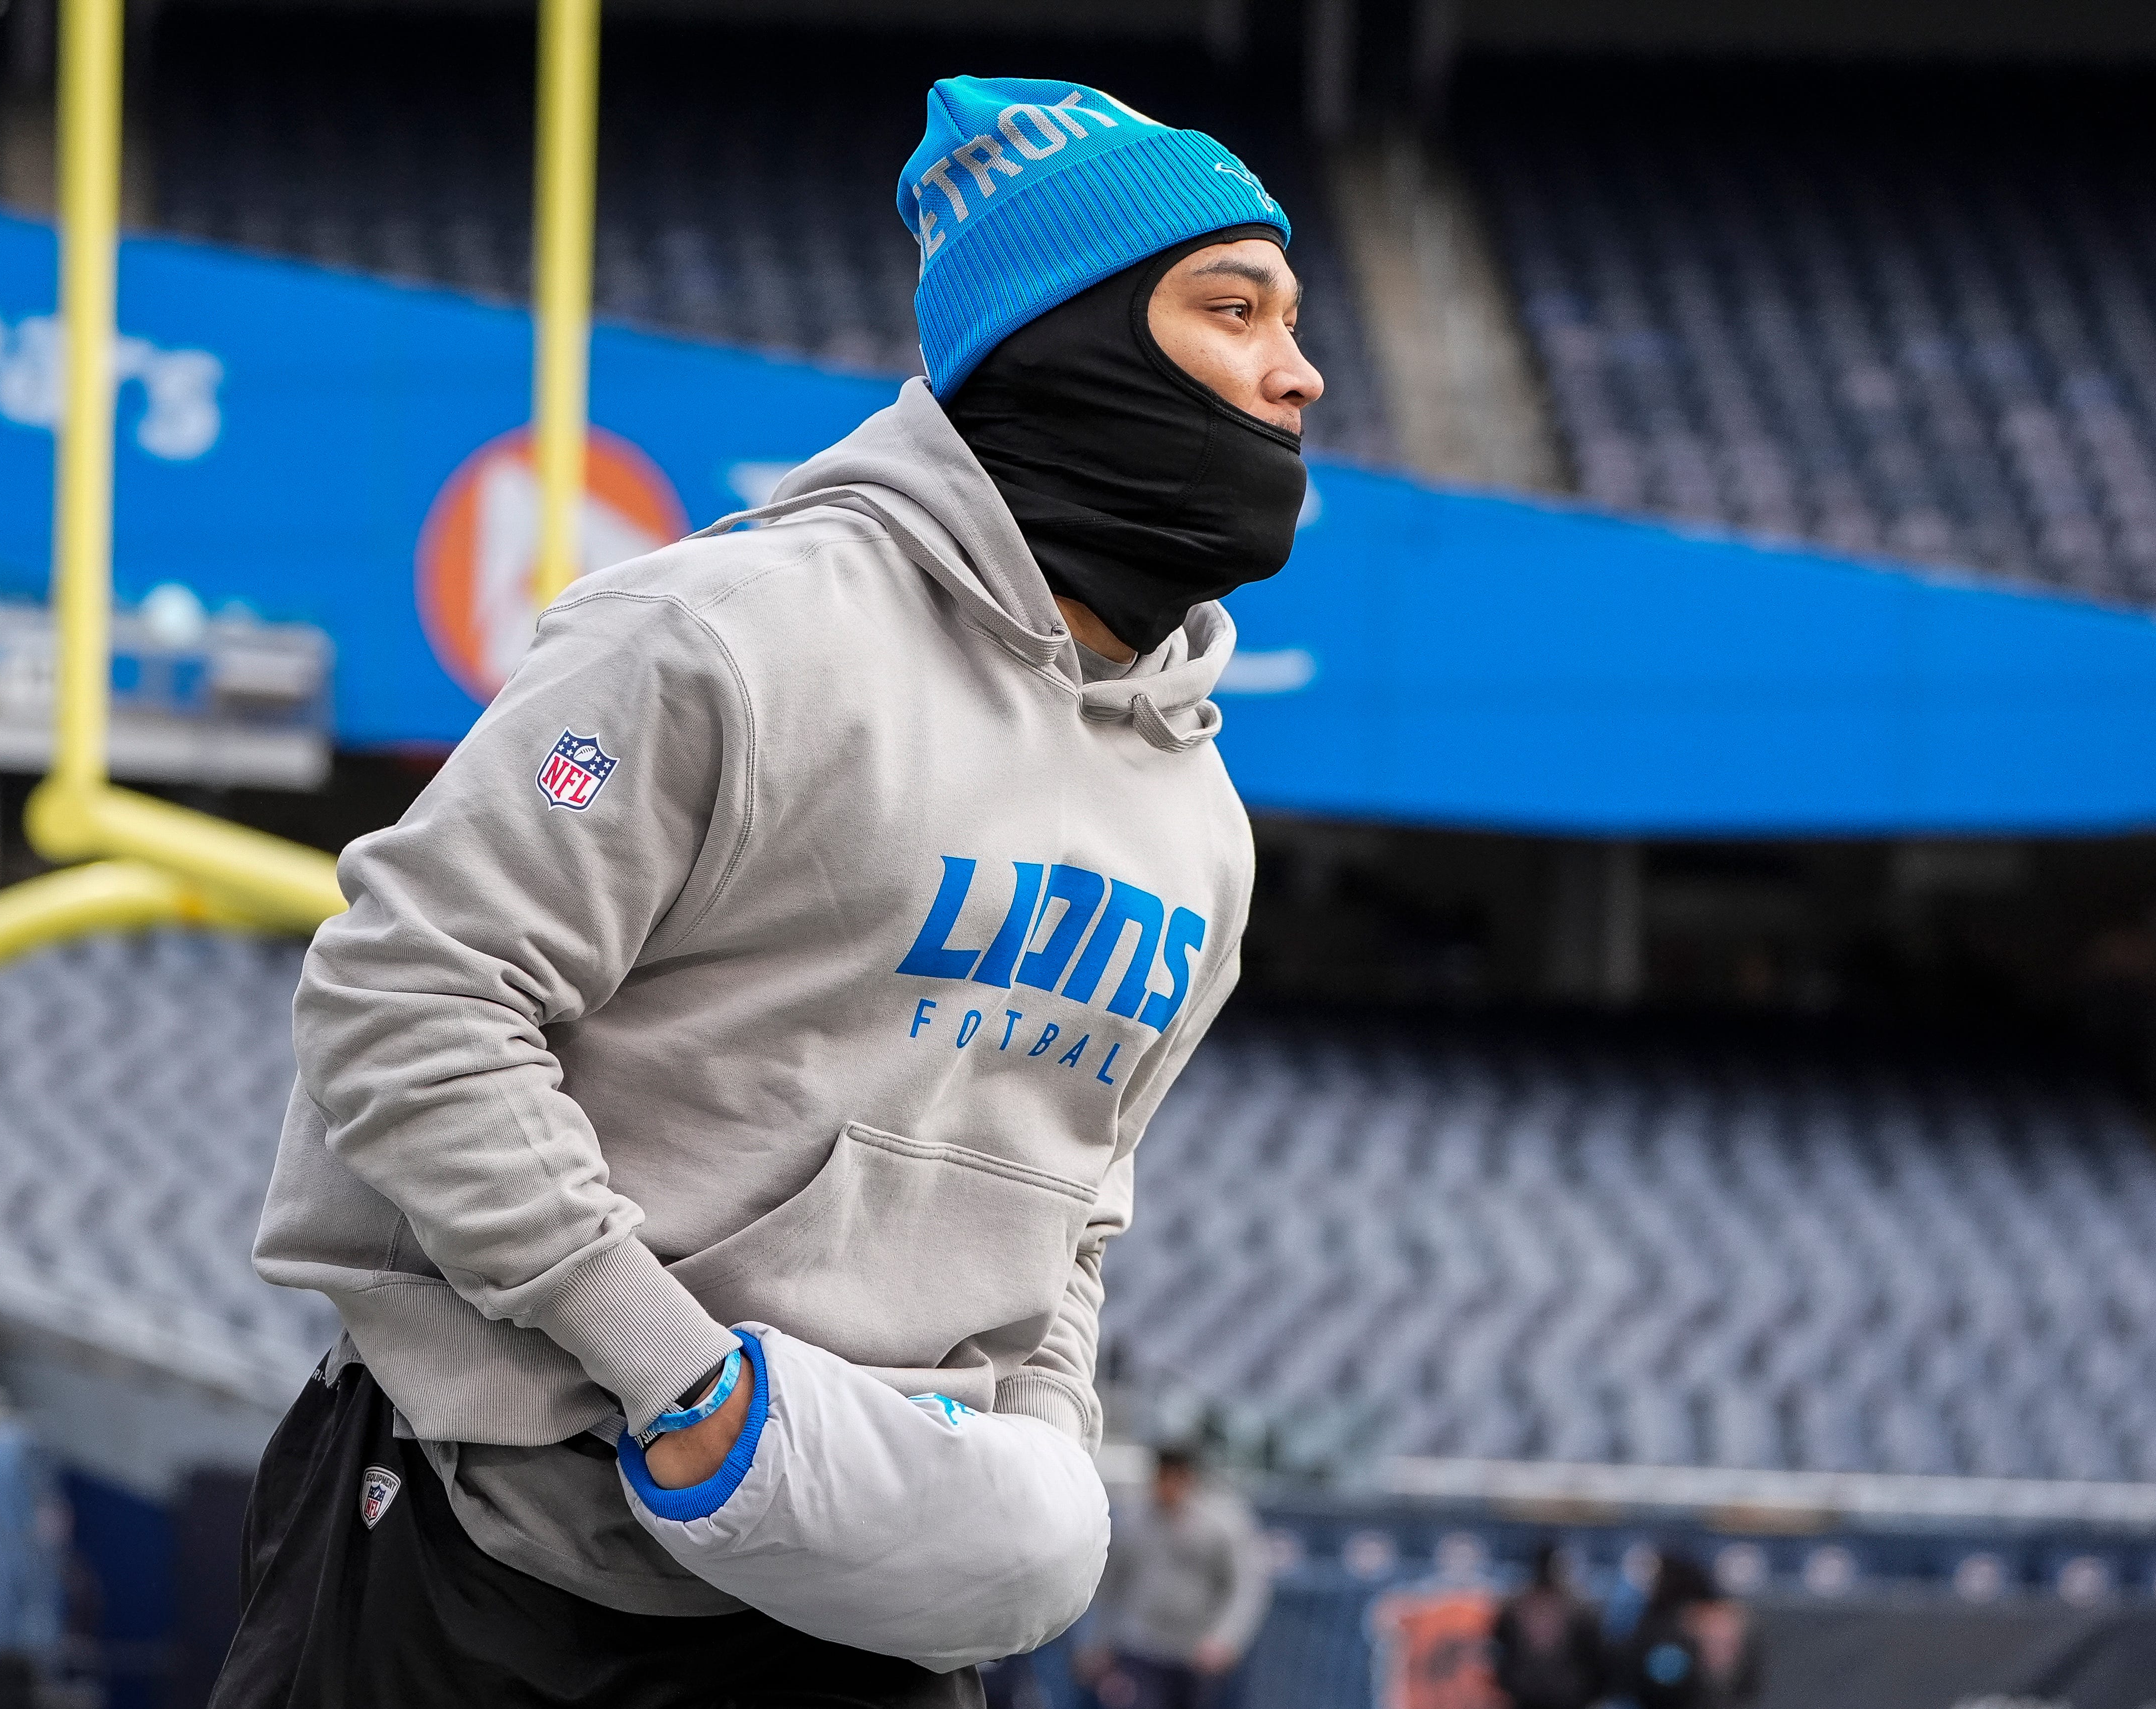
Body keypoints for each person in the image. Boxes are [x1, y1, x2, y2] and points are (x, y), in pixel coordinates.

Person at [210, 72, 1323, 1709]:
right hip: (497, 1558)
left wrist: (1038, 1452)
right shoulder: (711, 640)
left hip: (860, 1595)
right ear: (1066, 338)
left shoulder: (1196, 815)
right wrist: (675, 1382)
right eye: (1234, 310)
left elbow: (1075, 1198)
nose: (1295, 372)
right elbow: (407, 993)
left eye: (1293, 321)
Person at [1076, 1447, 1271, 1708]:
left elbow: (1245, 1587)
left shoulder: (1223, 1524)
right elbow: (1108, 1586)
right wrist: (1096, 1641)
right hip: (1138, 1646)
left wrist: (1226, 1638)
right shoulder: (1133, 1522)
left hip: (1195, 1652)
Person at [1612, 1553, 1763, 1709]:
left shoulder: (1737, 1674)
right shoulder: (1657, 1634)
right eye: (1714, 1643)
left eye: (1727, 1645)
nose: (1719, 1650)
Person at [1491, 1542, 1605, 1709]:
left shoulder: (1514, 1603)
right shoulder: (1580, 1605)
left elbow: (1594, 1655)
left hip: (1547, 1693)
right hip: (1552, 1693)